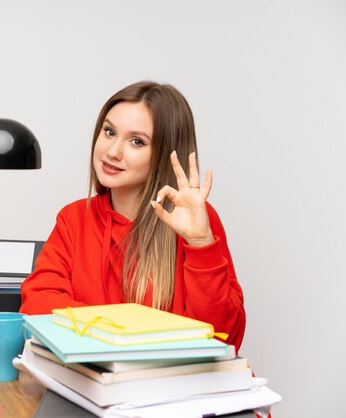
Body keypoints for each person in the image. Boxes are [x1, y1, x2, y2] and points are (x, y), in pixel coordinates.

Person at [20, 81, 245, 352]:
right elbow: (38, 304)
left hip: (176, 385)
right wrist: (131, 335)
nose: (113, 151)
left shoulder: (197, 220)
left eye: (137, 141)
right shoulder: (75, 218)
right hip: (98, 383)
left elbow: (223, 337)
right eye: (109, 131)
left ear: (163, 154)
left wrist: (200, 243)